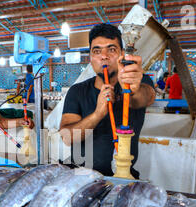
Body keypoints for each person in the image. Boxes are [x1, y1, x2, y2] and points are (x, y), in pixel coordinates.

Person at [59, 23, 155, 178]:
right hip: (80, 177)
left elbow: (146, 97)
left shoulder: (137, 82)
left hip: (122, 176)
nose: (104, 56)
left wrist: (131, 90)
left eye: (111, 49)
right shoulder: (77, 91)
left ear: (122, 54)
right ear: (90, 58)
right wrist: (97, 114)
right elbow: (67, 137)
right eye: (97, 51)